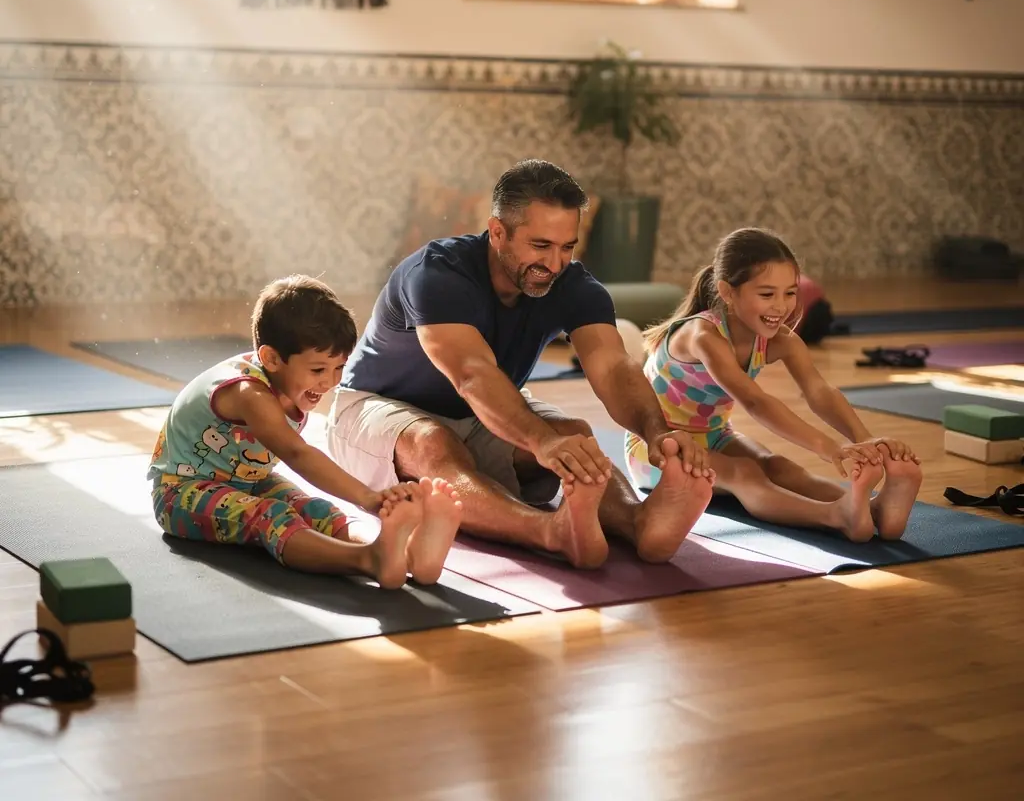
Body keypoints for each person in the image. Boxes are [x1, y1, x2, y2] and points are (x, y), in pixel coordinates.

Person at [327, 159, 715, 570]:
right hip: (374, 408)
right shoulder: (438, 274)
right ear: (497, 232)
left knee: (575, 436)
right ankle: (550, 532)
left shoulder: (574, 285)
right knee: (436, 442)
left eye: (568, 247)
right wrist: (540, 442)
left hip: (478, 414)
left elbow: (613, 366)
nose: (555, 263)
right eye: (541, 246)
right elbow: (472, 374)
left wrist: (657, 431)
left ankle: (640, 524)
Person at [147, 275, 462, 588]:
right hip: (180, 494)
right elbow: (297, 452)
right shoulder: (249, 394)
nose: (329, 382)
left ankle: (408, 557)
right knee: (270, 516)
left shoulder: (290, 385)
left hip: (249, 482)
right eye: (318, 370)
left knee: (315, 509)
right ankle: (367, 559)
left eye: (339, 367)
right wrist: (368, 497)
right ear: (272, 358)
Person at [627, 228, 923, 541]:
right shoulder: (703, 337)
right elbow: (755, 402)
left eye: (790, 292)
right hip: (657, 450)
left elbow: (818, 392)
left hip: (714, 437)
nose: (781, 306)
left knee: (778, 467)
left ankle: (875, 510)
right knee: (744, 473)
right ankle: (836, 516)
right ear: (728, 292)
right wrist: (831, 447)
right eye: (767, 295)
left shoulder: (781, 340)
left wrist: (867, 442)